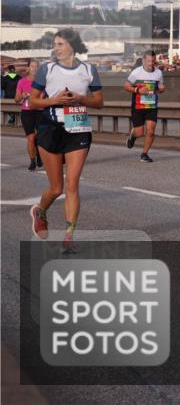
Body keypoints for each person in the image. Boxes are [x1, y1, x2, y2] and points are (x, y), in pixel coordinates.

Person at [28, 29, 104, 253]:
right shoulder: (46, 69)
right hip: (50, 128)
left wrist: (80, 98)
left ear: (71, 45)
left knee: (72, 185)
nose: (56, 48)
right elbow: (32, 102)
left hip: (78, 128)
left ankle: (69, 237)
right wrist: (55, 99)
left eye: (60, 44)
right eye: (55, 44)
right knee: (56, 188)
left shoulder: (89, 69)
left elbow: (99, 102)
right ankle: (40, 211)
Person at [124, 50, 166, 163]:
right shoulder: (136, 73)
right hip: (138, 106)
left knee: (151, 131)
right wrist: (137, 90)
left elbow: (160, 88)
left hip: (152, 106)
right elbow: (126, 86)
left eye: (152, 61)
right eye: (148, 61)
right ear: (143, 60)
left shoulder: (158, 73)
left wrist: (162, 89)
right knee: (139, 133)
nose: (150, 64)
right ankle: (133, 135)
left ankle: (144, 154)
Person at [14, 60, 43, 171]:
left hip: (41, 111)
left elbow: (49, 97)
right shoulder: (22, 81)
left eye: (36, 66)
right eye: (32, 66)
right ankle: (32, 161)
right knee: (31, 138)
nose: (34, 68)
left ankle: (40, 154)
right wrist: (22, 95)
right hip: (27, 112)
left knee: (40, 137)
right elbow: (16, 99)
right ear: (28, 68)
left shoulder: (43, 82)